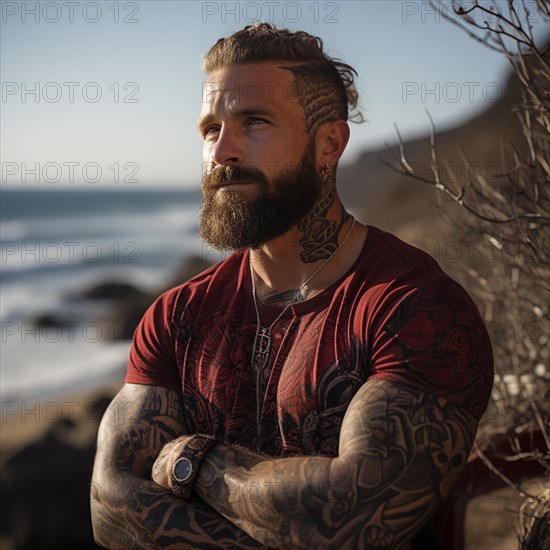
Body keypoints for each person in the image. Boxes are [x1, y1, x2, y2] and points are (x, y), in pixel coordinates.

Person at [91, 23, 493, 549]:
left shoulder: (415, 309)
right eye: (210, 129)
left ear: (329, 142)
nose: (221, 153)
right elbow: (111, 511)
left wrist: (199, 461)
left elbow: (354, 517)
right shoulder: (176, 315)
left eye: (253, 122)